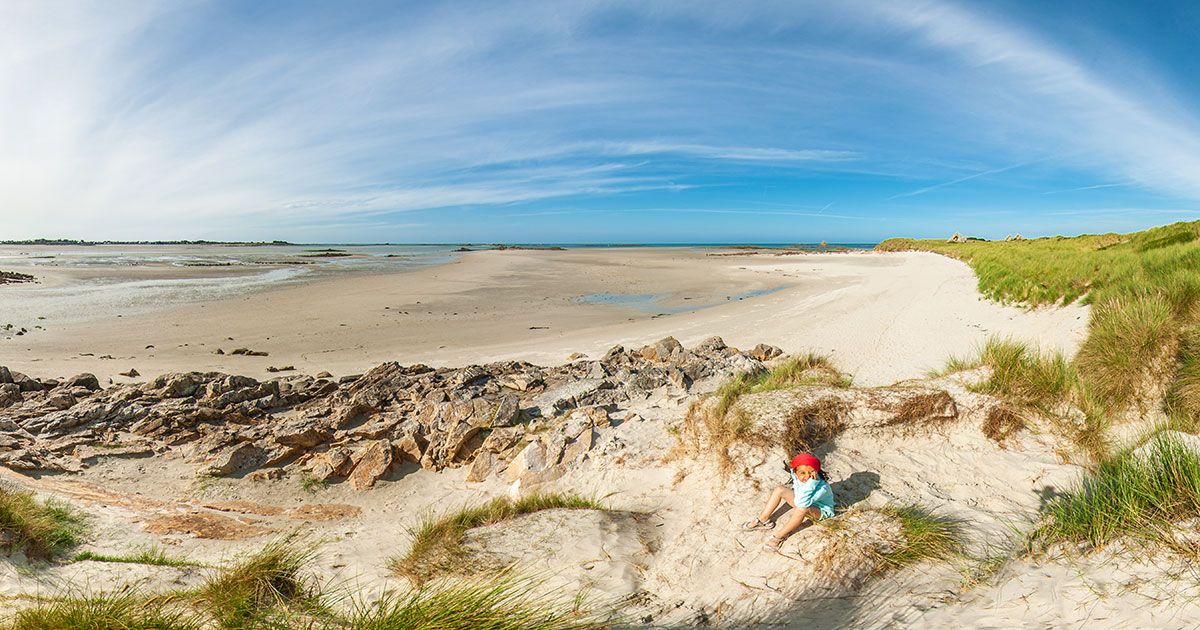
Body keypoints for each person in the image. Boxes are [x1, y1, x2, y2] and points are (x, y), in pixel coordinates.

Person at [742, 453, 836, 551]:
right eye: (802, 473)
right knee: (779, 490)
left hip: (821, 511)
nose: (807, 476)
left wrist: (811, 484)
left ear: (816, 471)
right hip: (804, 500)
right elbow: (799, 494)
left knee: (802, 508)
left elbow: (802, 503)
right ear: (795, 472)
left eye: (811, 472)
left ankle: (780, 535)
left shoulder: (822, 487)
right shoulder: (796, 475)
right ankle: (763, 519)